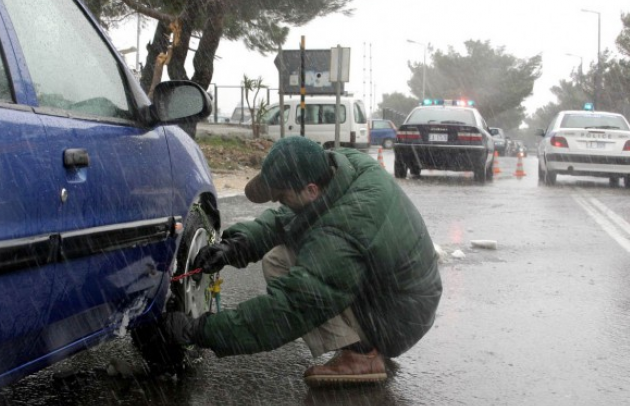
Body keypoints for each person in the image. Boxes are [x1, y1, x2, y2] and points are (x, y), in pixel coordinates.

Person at [163, 136, 442, 385]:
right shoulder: (341, 168)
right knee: (278, 258)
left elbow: (291, 309)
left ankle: (361, 355)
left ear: (310, 189)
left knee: (306, 287)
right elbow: (289, 220)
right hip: (395, 290)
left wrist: (201, 330)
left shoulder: (342, 229)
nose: (279, 203)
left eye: (282, 196)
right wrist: (234, 246)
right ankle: (358, 344)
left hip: (400, 316)